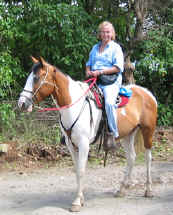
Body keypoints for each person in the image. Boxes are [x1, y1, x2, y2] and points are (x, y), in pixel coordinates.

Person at [85, 21, 124, 138]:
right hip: (95, 79)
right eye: (103, 32)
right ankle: (74, 130)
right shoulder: (95, 47)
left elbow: (118, 68)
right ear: (100, 34)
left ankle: (113, 132)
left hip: (110, 81)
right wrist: (88, 71)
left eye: (108, 32)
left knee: (109, 103)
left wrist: (100, 72)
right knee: (78, 97)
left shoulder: (116, 48)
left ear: (112, 33)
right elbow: (89, 63)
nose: (105, 34)